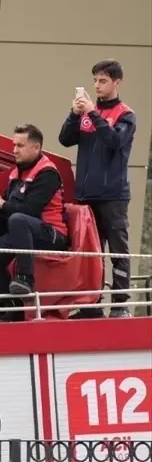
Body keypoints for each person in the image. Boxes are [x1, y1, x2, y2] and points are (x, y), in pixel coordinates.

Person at [58, 59, 137, 318]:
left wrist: (92, 113)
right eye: (94, 81)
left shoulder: (125, 114)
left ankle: (120, 305)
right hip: (86, 195)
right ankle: (91, 306)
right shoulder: (85, 114)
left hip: (113, 196)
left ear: (116, 82)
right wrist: (74, 113)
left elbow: (115, 141)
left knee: (118, 252)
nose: (97, 85)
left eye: (102, 81)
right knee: (92, 255)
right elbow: (65, 139)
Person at [0, 124, 68, 298]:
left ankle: (25, 279)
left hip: (51, 234)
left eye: (20, 146)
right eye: (14, 145)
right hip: (22, 231)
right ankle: (12, 306)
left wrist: (0, 202)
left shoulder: (48, 174)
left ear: (36, 147)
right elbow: (6, 206)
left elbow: (30, 211)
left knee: (17, 219)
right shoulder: (17, 173)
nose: (14, 150)